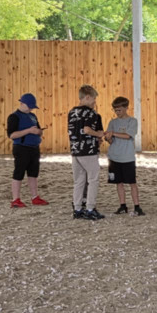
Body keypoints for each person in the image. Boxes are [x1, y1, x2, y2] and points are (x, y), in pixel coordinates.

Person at [68, 84, 105, 221]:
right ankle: (90, 208)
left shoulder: (72, 112)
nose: (94, 103)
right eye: (94, 100)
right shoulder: (90, 113)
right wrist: (98, 135)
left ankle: (77, 209)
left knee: (79, 181)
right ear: (88, 97)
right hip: (88, 151)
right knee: (93, 179)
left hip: (75, 151)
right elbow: (87, 130)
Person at [7, 92, 48, 208]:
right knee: (19, 172)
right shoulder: (14, 117)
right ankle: (15, 199)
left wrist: (39, 132)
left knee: (33, 173)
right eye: (29, 106)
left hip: (34, 148)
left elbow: (39, 130)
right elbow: (12, 135)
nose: (31, 109)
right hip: (21, 148)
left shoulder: (33, 116)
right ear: (22, 104)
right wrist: (29, 131)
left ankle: (35, 197)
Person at [104, 96, 144, 216]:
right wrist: (108, 138)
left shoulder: (132, 121)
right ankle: (122, 205)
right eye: (115, 110)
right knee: (118, 183)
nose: (117, 112)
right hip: (114, 157)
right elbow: (110, 141)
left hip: (127, 157)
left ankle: (137, 206)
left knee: (132, 182)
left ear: (126, 108)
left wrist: (113, 133)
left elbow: (128, 136)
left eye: (119, 110)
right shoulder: (112, 122)